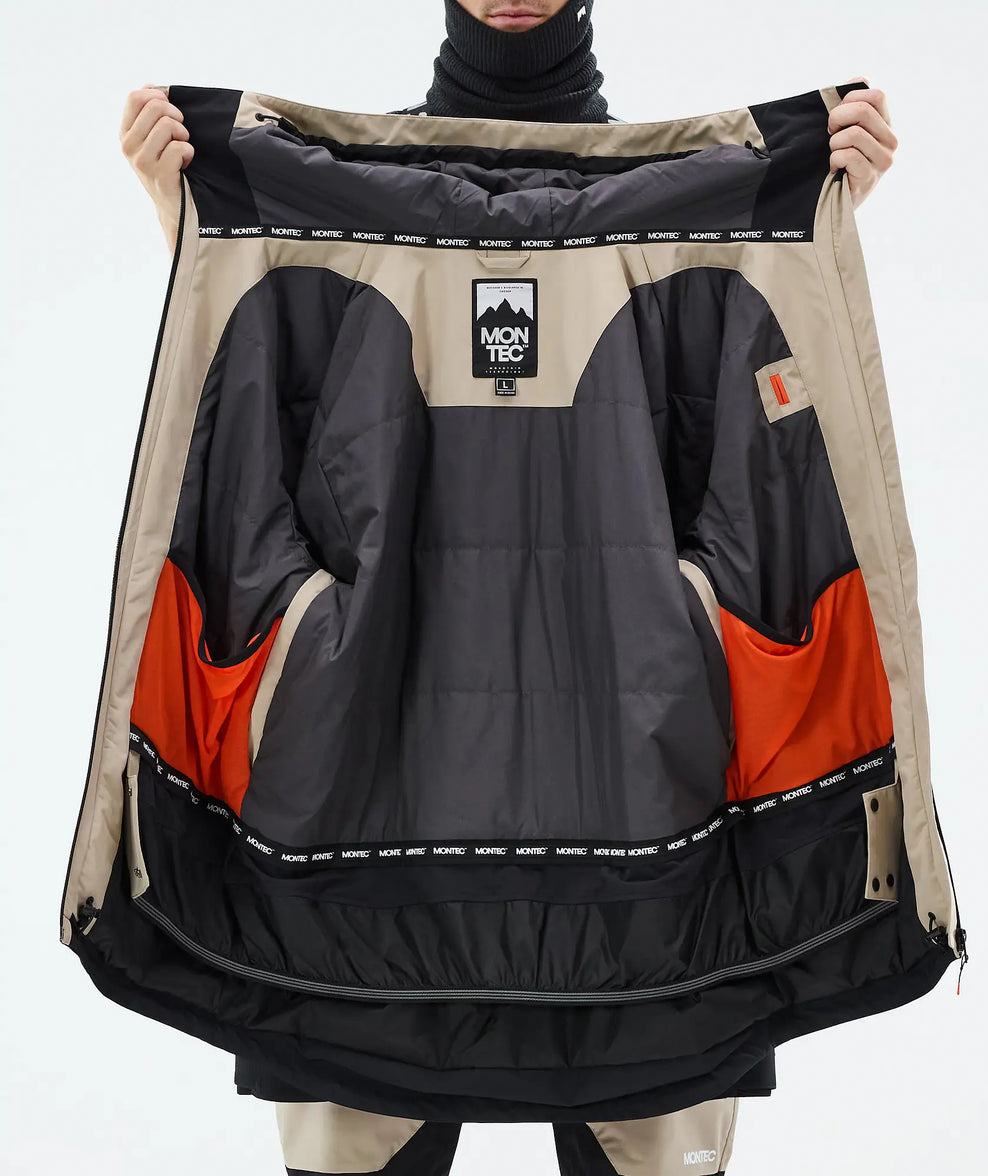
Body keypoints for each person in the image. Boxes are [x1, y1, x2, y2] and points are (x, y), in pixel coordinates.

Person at [117, 3, 900, 1172]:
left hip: (620, 848)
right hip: (387, 820)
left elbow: (761, 482)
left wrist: (807, 237)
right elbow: (247, 447)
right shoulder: (312, 210)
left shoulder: (706, 221)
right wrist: (204, 230)